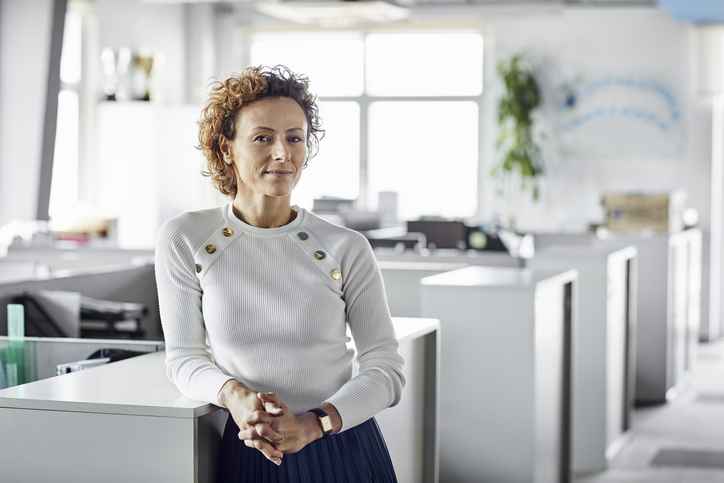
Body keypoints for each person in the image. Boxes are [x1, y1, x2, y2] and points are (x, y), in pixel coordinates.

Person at [154, 65, 405, 483]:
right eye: (262, 138)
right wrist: (233, 395)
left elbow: (386, 369)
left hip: (341, 448)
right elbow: (183, 359)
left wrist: (313, 424)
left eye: (294, 138)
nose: (282, 153)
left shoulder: (346, 247)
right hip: (251, 452)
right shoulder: (185, 238)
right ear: (226, 147)